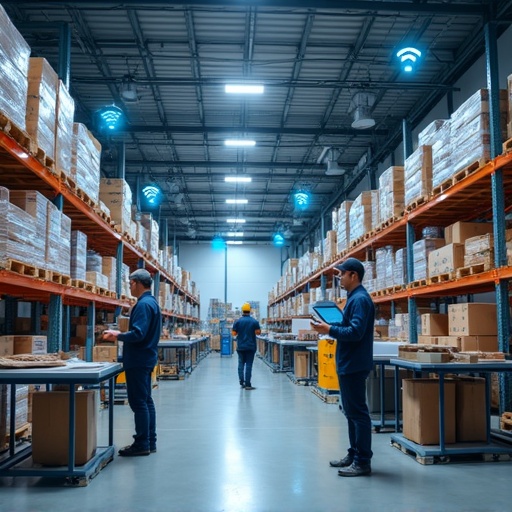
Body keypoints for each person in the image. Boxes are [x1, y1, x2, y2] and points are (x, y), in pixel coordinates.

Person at [310, 257, 374, 477]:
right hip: (349, 363)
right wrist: (329, 328)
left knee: (358, 413)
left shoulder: (360, 300)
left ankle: (363, 461)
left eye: (341, 274)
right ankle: (354, 453)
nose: (339, 278)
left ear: (353, 275)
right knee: (350, 412)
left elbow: (355, 332)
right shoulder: (353, 298)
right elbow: (347, 327)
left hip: (354, 365)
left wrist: (330, 330)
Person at [103, 268, 162, 456]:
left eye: (130, 284)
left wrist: (117, 334)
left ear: (137, 283)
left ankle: (142, 443)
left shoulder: (144, 305)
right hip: (145, 357)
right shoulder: (151, 302)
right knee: (146, 401)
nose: (130, 287)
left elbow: (138, 333)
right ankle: (150, 441)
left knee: (138, 403)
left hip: (138, 359)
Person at [232, 302, 261, 390]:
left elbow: (233, 334)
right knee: (249, 364)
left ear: (242, 311)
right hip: (250, 346)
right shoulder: (254, 321)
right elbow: (258, 333)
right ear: (250, 311)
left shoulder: (238, 321)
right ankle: (248, 384)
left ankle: (242, 382)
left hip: (240, 346)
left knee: (241, 364)